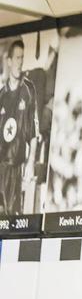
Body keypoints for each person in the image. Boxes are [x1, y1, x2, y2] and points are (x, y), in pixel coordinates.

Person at [0, 39, 37, 215]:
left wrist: (30, 163)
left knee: (13, 216)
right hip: (1, 165)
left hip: (17, 166)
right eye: (16, 58)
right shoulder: (2, 95)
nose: (20, 62)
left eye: (22, 58)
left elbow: (33, 133)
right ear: (8, 61)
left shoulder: (28, 90)